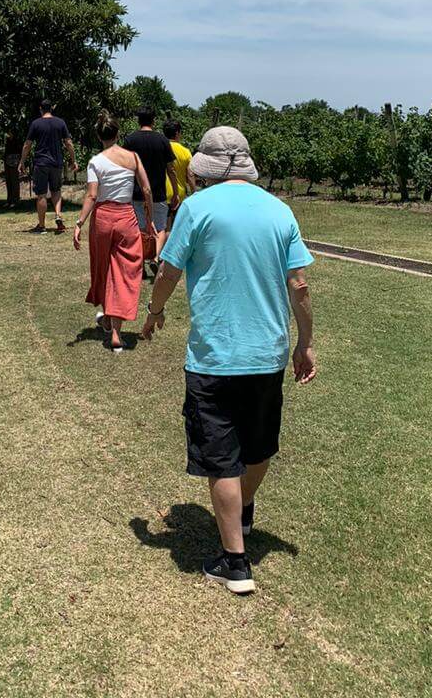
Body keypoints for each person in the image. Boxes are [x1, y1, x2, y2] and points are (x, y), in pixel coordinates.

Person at [140, 127, 317, 596]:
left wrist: (155, 312)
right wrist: (306, 342)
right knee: (257, 447)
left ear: (206, 170)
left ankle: (234, 562)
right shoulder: (279, 210)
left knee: (222, 458)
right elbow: (299, 285)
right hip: (267, 354)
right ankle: (243, 510)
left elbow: (169, 270)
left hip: (214, 356)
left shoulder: (197, 208)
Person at [73, 112, 155, 353]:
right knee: (125, 270)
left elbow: (91, 195)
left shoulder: (95, 161)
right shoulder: (133, 158)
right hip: (126, 217)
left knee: (104, 268)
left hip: (103, 219)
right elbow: (147, 190)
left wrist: (79, 223)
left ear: (99, 136)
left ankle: (109, 319)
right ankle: (115, 329)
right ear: (118, 134)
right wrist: (148, 220)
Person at [124, 107, 179, 264]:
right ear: (154, 121)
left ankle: (140, 259)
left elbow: (126, 167)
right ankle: (155, 256)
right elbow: (171, 169)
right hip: (159, 192)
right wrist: (175, 192)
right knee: (160, 228)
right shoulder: (162, 140)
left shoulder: (130, 140)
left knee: (140, 228)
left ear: (138, 120)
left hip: (137, 192)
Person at [18, 100, 78, 234]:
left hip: (41, 163)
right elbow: (68, 143)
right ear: (52, 108)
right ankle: (58, 215)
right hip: (57, 163)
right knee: (56, 191)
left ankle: (41, 226)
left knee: (41, 194)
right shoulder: (60, 122)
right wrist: (73, 160)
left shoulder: (36, 123)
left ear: (40, 109)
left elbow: (27, 144)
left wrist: (22, 161)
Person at [164, 119, 194, 213]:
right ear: (177, 133)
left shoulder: (160, 148)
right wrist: (194, 192)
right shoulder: (185, 152)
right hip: (179, 196)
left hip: (161, 195)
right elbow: (190, 175)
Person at [3, 133, 22, 209]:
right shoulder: (7, 140)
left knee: (14, 181)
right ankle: (9, 200)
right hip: (7, 160)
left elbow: (19, 151)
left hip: (14, 161)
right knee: (8, 181)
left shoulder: (17, 141)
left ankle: (15, 200)